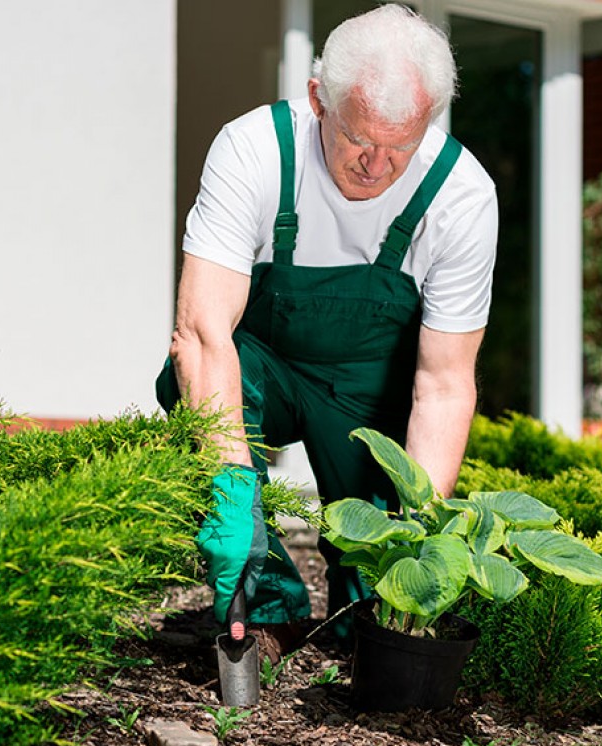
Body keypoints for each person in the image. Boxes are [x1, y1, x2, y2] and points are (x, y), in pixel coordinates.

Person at [155, 3, 498, 660]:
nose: (378, 165)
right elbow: (202, 334)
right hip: (266, 366)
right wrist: (229, 487)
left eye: (402, 145)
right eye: (359, 139)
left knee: (369, 607)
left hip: (370, 396)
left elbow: (445, 383)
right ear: (319, 99)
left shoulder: (463, 196)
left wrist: (419, 534)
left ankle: (351, 615)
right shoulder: (254, 150)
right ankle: (270, 608)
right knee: (188, 383)